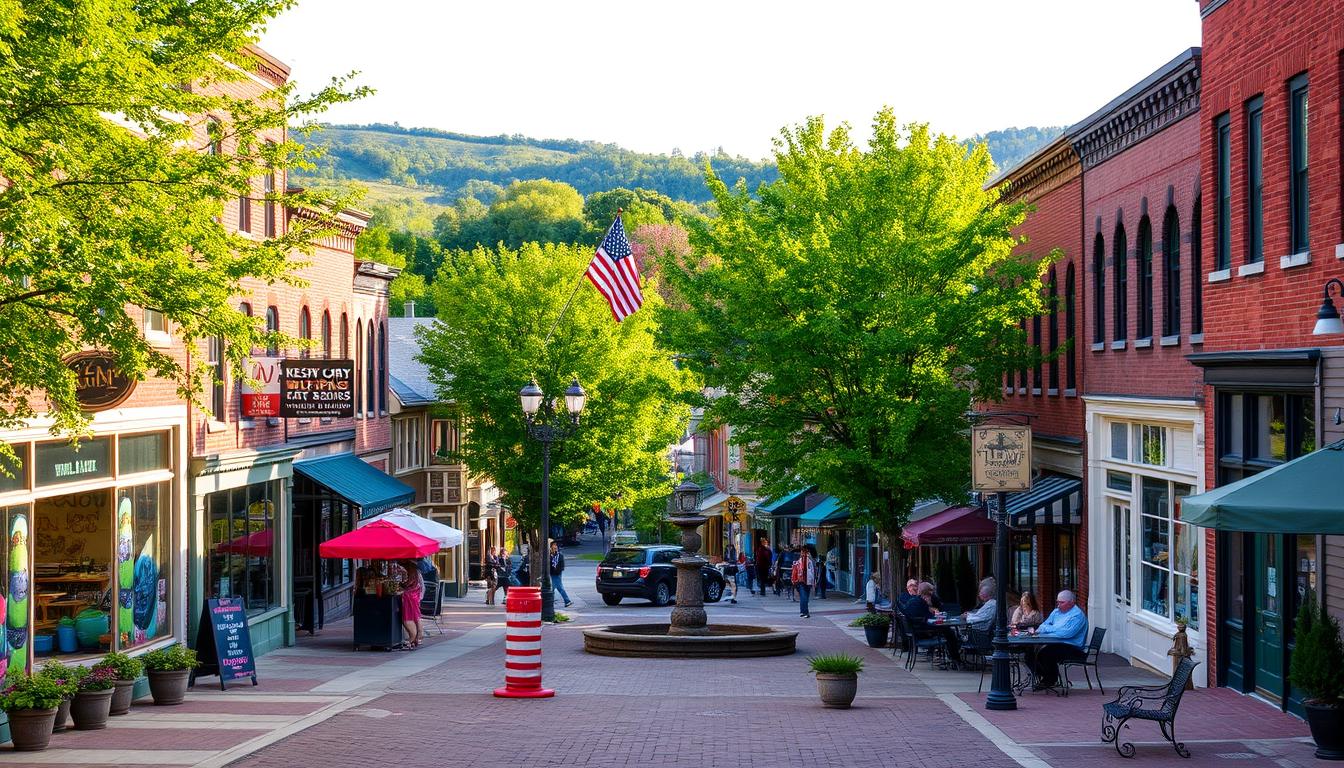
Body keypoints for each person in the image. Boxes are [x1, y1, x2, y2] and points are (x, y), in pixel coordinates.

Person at [1023, 590, 1088, 690]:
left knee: (1046, 653)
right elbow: (1043, 626)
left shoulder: (1077, 616)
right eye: (1058, 602)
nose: (1058, 605)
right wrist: (1052, 629)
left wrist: (1049, 629)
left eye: (1062, 602)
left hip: (1073, 647)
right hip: (1055, 643)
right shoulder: (1056, 612)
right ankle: (1046, 677)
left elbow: (1065, 634)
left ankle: (1050, 679)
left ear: (1071, 603)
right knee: (1029, 653)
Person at [399, 558, 424, 649]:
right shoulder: (415, 569)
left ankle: (412, 638)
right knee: (416, 616)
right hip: (415, 596)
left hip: (409, 596)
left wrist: (401, 586)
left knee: (408, 618)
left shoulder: (409, 569)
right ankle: (417, 637)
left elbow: (408, 583)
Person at [792, 545, 817, 618]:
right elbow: (813, 571)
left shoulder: (802, 559)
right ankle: (804, 611)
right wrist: (813, 581)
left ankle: (804, 611)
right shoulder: (811, 560)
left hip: (801, 580)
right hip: (807, 580)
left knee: (803, 596)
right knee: (805, 596)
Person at [549, 541, 572, 608]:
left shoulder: (560, 555)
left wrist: (558, 571)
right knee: (556, 588)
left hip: (557, 574)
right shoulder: (550, 555)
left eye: (556, 545)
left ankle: (566, 601)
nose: (555, 547)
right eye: (553, 545)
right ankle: (567, 601)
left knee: (555, 588)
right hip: (552, 573)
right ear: (551, 547)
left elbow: (562, 565)